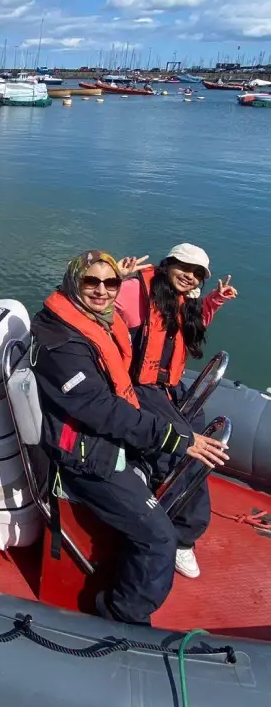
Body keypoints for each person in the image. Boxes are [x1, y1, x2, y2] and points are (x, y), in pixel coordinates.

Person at [31, 250, 229, 627]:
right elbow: (100, 409)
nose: (102, 290)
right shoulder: (62, 344)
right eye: (92, 282)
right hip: (86, 457)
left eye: (110, 283)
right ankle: (122, 617)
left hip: (109, 438)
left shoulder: (99, 320)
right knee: (159, 541)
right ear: (74, 281)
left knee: (176, 465)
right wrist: (172, 437)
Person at [115, 244, 238, 579]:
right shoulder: (137, 290)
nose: (190, 275)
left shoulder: (183, 297)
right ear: (168, 263)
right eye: (184, 267)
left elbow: (189, 327)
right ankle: (183, 537)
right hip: (140, 385)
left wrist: (214, 299)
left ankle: (157, 481)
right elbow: (96, 304)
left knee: (204, 441)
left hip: (168, 384)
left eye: (197, 272)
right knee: (191, 450)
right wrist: (115, 279)